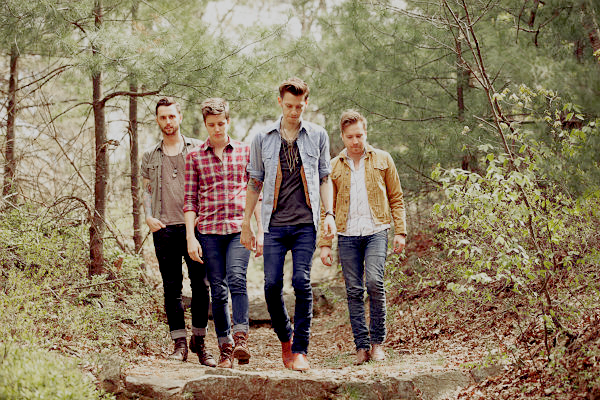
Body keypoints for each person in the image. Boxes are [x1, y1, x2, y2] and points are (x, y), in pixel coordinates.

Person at [241, 77, 336, 372]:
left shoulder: (318, 135)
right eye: (289, 106)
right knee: (271, 286)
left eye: (299, 106)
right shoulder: (262, 138)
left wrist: (329, 214)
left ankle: (300, 350)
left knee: (301, 282)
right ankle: (286, 337)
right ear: (280, 102)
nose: (294, 111)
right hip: (274, 224)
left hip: (305, 223)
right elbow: (255, 181)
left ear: (306, 103)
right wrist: (246, 223)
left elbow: (324, 177)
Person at [319, 109, 406, 365]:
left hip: (376, 230)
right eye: (350, 137)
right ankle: (361, 346)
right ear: (342, 136)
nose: (355, 141)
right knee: (354, 290)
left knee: (375, 283)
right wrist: (325, 245)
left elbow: (396, 198)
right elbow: (326, 209)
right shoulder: (333, 166)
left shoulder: (383, 159)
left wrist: (400, 232)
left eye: (359, 135)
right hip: (347, 235)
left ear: (365, 133)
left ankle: (378, 343)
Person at [184, 98, 263, 368]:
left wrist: (260, 230)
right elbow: (190, 201)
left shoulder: (245, 151)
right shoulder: (194, 157)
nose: (217, 129)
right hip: (208, 232)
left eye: (221, 123)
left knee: (237, 279)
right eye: (211, 124)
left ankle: (241, 339)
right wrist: (190, 237)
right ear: (205, 125)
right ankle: (225, 348)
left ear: (228, 121)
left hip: (239, 229)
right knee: (218, 290)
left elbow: (255, 193)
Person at [141, 97, 216, 366]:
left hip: (195, 229)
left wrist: (205, 216)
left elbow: (210, 184)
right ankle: (179, 344)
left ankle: (200, 342)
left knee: (201, 286)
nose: (168, 121)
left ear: (180, 117)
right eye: (163, 117)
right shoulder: (150, 156)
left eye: (172, 116)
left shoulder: (199, 149)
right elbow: (147, 189)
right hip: (164, 229)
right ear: (157, 120)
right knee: (171, 288)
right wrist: (148, 216)